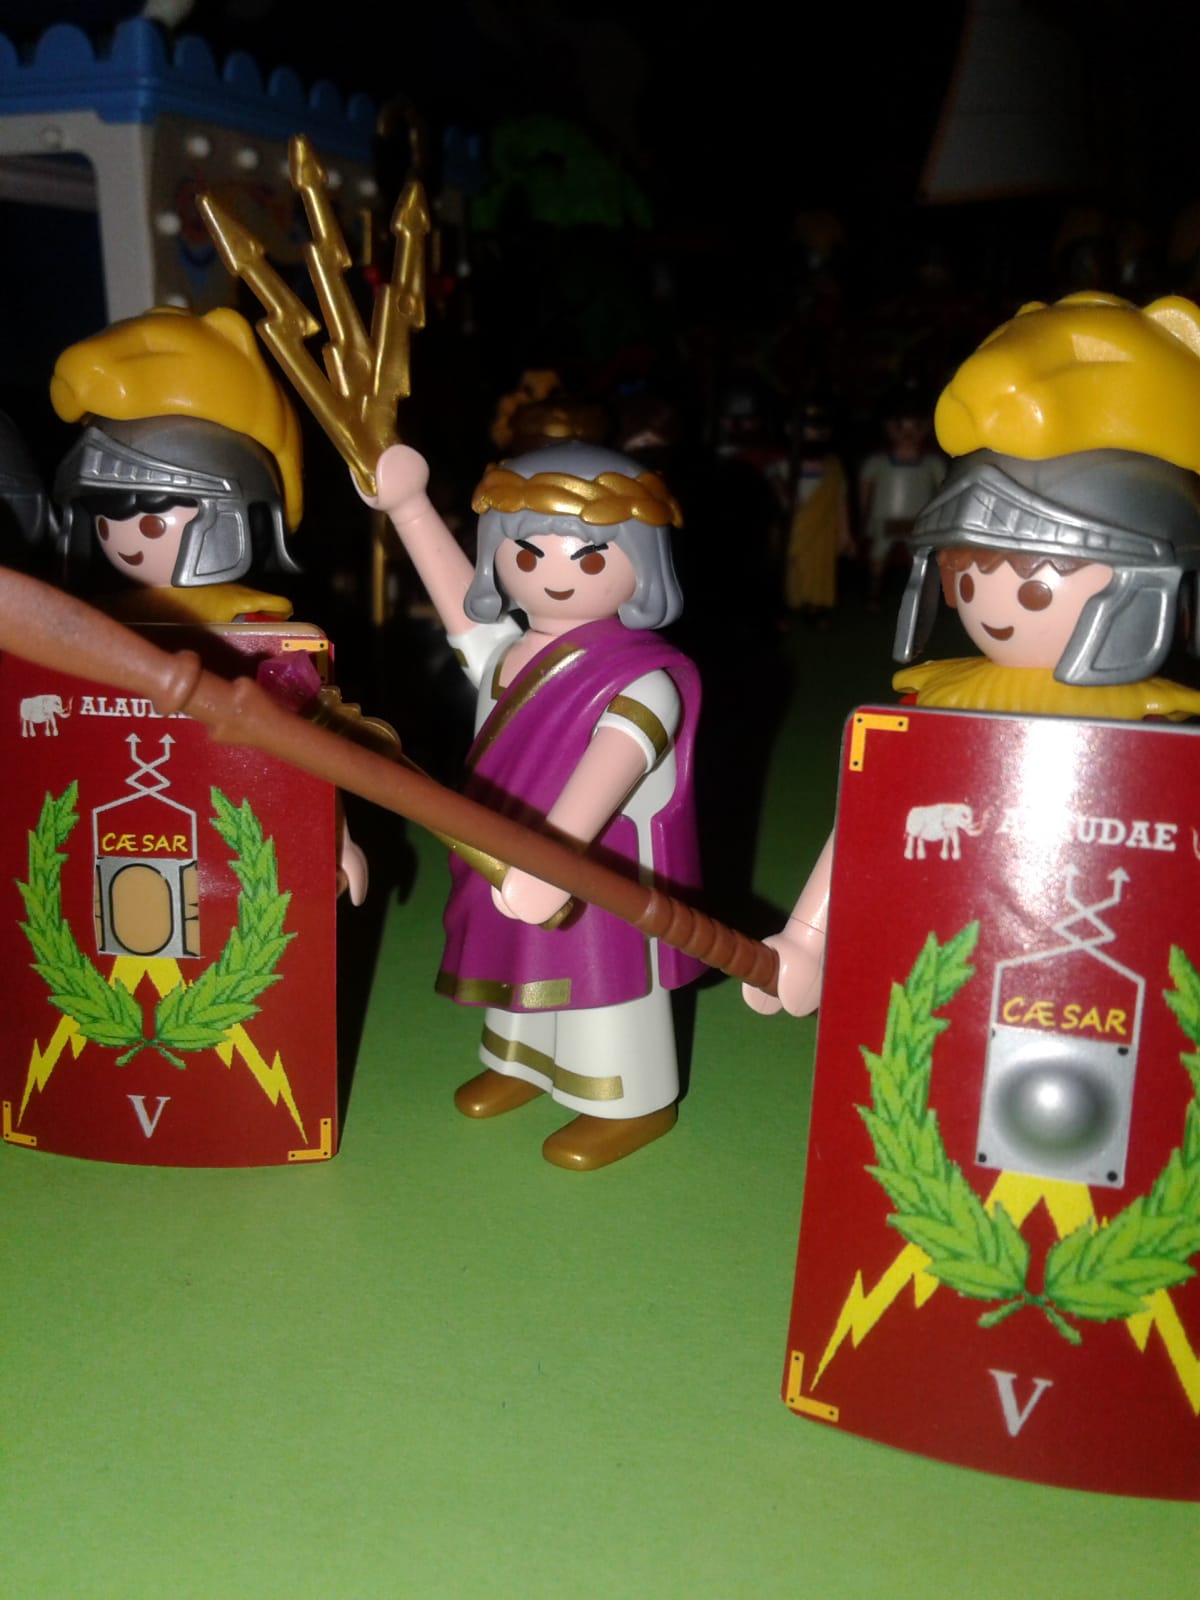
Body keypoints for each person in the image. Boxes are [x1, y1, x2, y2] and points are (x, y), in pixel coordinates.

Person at [746, 290, 1200, 1017]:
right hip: (957, 936)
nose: (991, 607)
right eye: (967, 577)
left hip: (1100, 970)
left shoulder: (1155, 728)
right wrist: (807, 939)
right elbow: (865, 821)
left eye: (1032, 587)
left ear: (1145, 587)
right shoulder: (938, 703)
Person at [366, 439, 703, 1169]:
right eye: (526, 554)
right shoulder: (510, 653)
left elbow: (610, 767)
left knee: (601, 980)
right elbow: (460, 611)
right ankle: (519, 1065)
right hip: (509, 849)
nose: (553, 577)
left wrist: (551, 861)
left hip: (594, 867)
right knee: (515, 967)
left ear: (641, 565)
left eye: (588, 559)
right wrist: (410, 506)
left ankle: (629, 1100)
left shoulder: (642, 682)